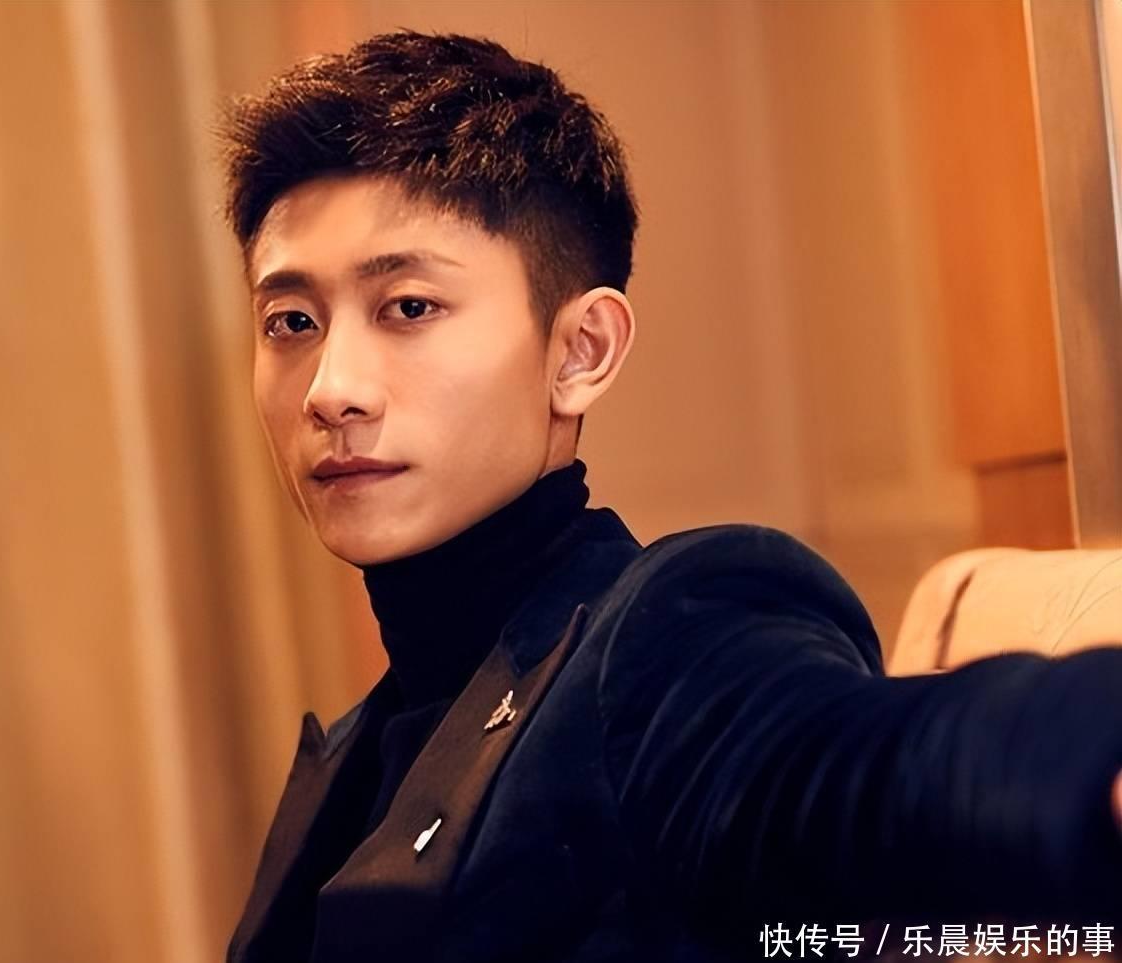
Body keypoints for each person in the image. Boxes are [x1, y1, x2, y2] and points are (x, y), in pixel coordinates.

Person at [219, 30, 1122, 963]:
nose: (332, 388)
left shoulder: (663, 637)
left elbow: (857, 770)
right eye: (292, 321)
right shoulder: (367, 738)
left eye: (409, 307)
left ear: (581, 351)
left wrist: (1084, 760)